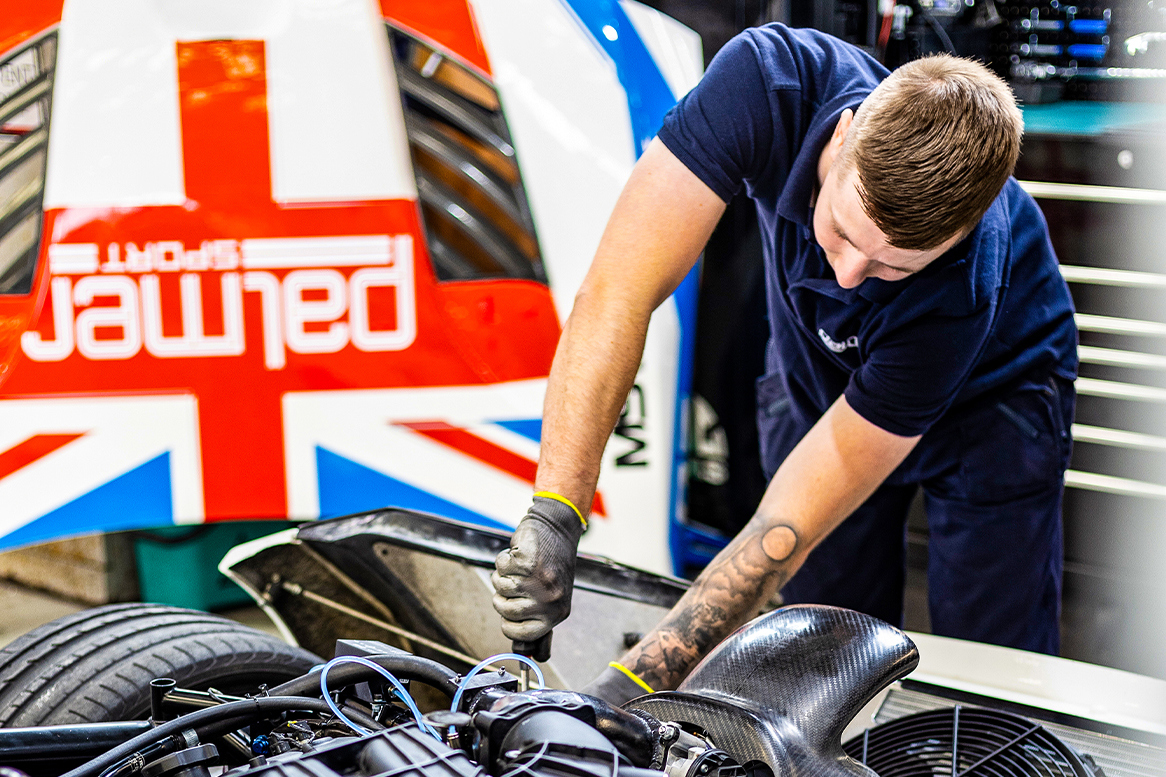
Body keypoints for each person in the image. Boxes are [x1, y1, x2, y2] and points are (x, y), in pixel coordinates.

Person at [491, 23, 1077, 706]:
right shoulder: (765, 84)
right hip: (816, 371)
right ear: (844, 135)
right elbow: (620, 290)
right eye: (844, 231)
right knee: (820, 650)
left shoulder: (964, 286)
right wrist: (557, 511)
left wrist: (629, 688)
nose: (853, 275)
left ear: (957, 238)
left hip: (995, 404)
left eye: (892, 266)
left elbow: (788, 526)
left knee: (989, 679)